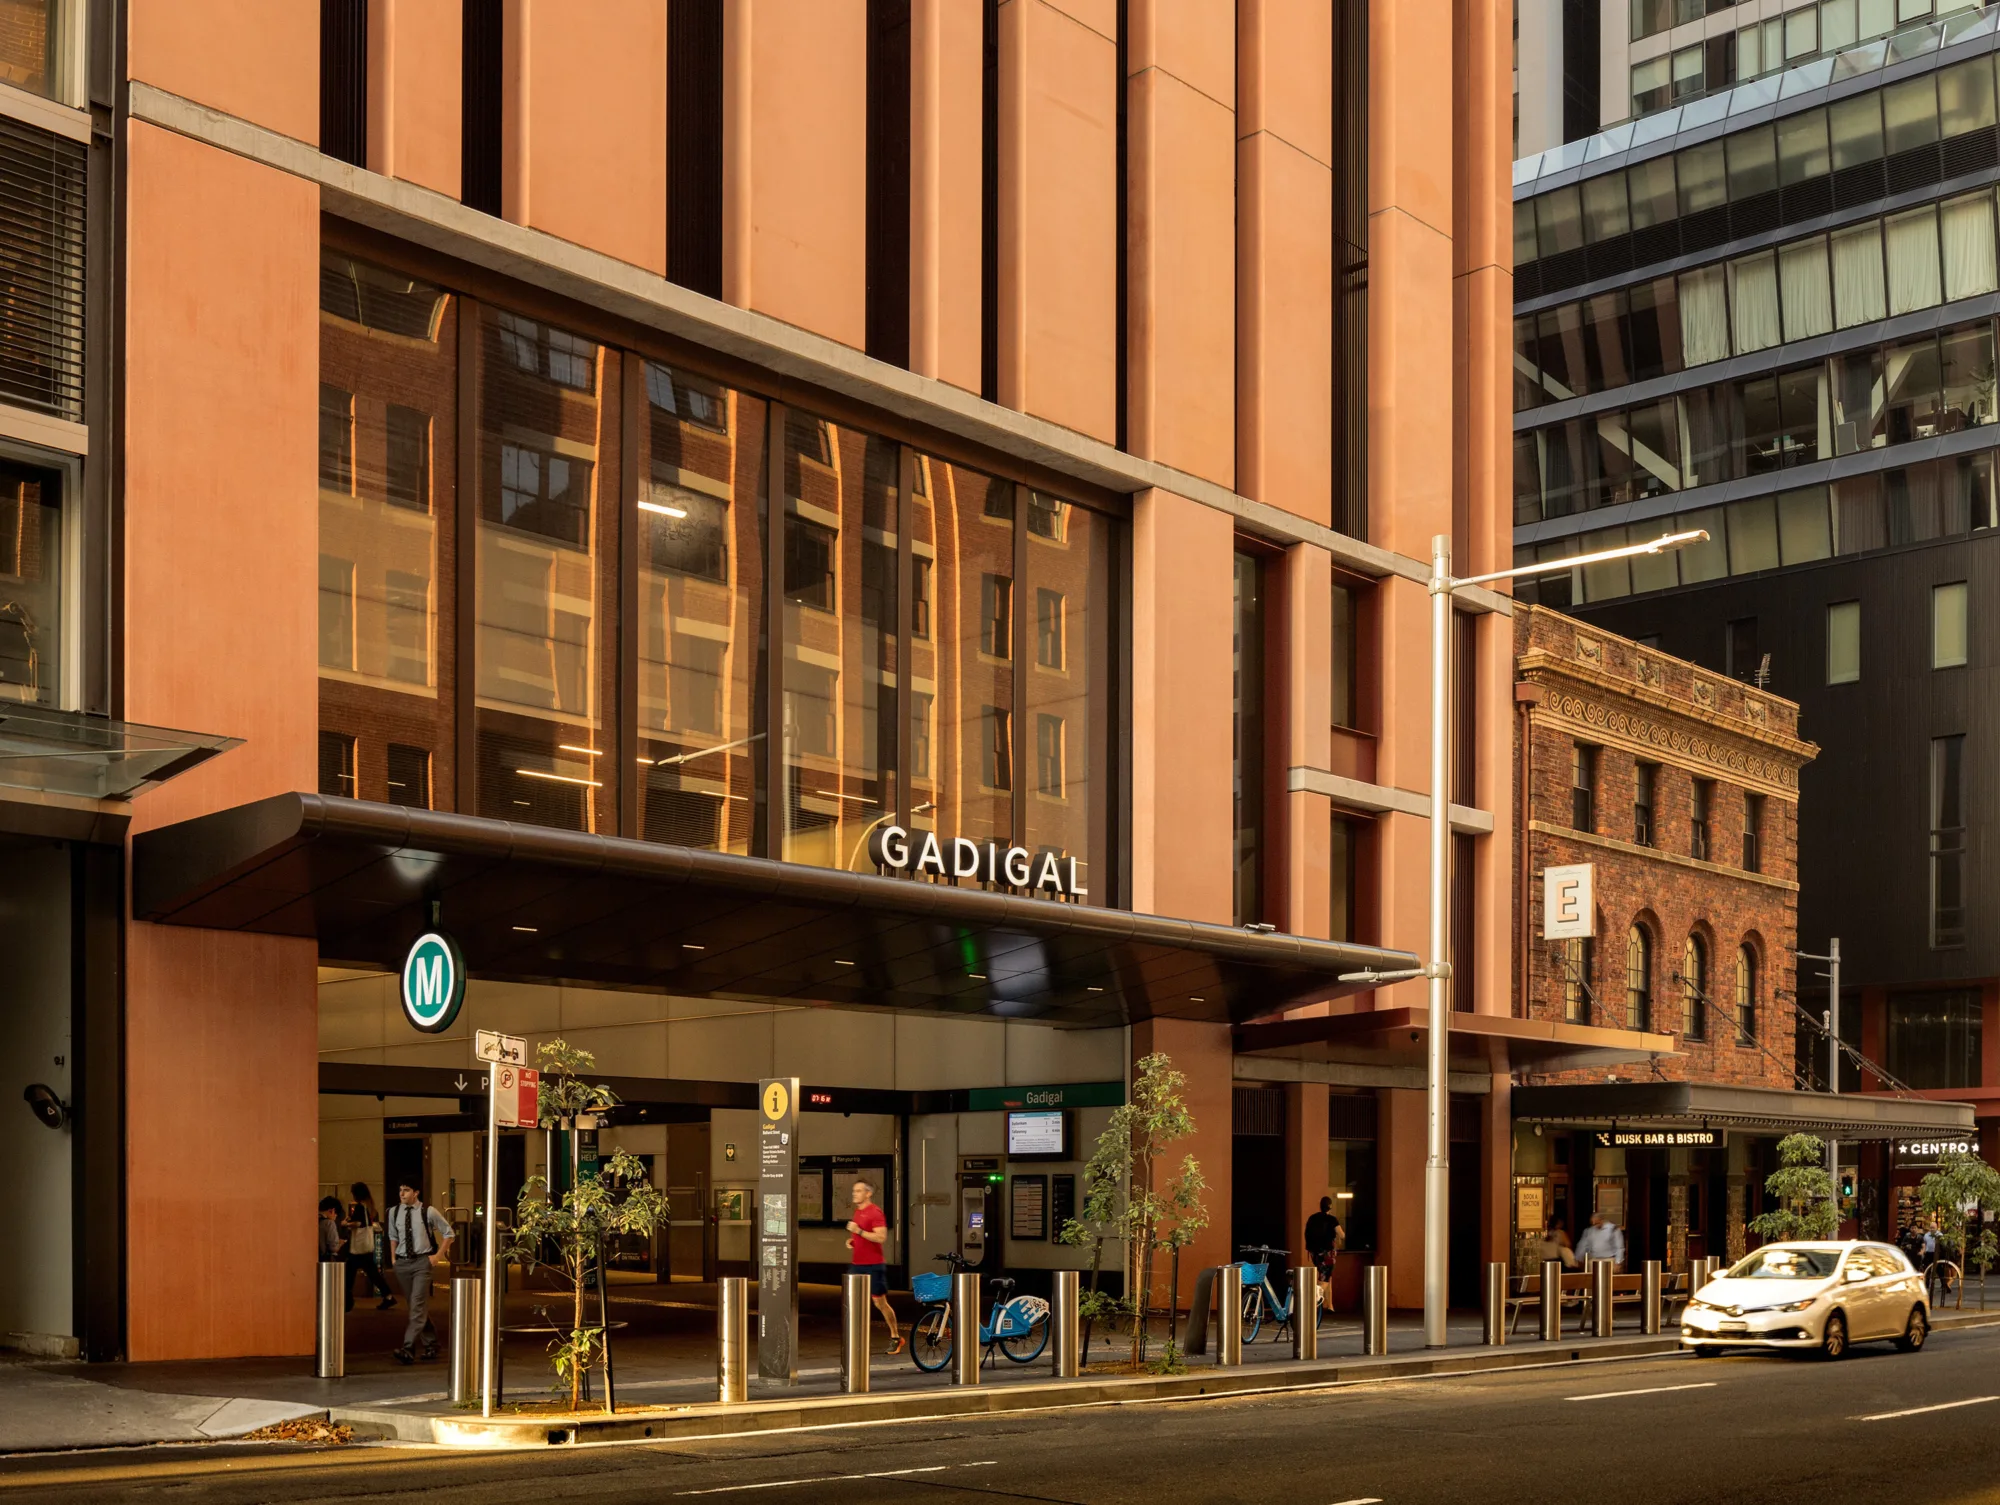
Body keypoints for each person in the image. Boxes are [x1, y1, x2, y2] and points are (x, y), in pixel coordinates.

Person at [386, 1182, 455, 1364]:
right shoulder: (393, 1212)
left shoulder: (428, 1211)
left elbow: (449, 1233)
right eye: (400, 1190)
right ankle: (432, 1343)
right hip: (403, 1263)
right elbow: (393, 1236)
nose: (402, 1193)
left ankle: (407, 1347)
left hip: (422, 1263)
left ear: (416, 1193)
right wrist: (393, 1259)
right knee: (415, 1306)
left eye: (406, 1190)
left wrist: (437, 1256)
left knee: (417, 1305)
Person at [844, 1178, 902, 1356]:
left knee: (879, 1302)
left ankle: (895, 1337)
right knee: (852, 1301)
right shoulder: (858, 1212)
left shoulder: (875, 1212)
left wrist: (859, 1231)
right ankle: (855, 1339)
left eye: (859, 1191)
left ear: (868, 1193)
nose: (855, 1193)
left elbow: (881, 1237)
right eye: (854, 1191)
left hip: (874, 1265)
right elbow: (864, 1236)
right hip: (857, 1265)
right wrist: (854, 1241)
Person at [343, 1181, 395, 1313]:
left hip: (358, 1249)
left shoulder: (360, 1207)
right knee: (373, 1274)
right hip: (366, 1247)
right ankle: (388, 1296)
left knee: (349, 1275)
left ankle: (347, 1301)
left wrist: (345, 1224)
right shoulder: (369, 1206)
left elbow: (358, 1223)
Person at [1303, 1197, 1345, 1315]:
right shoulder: (1332, 1220)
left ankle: (1329, 1305)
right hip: (1327, 1253)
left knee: (1326, 1276)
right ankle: (1312, 1302)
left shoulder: (1312, 1218)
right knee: (1324, 1278)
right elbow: (1341, 1235)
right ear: (1330, 1207)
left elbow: (1307, 1233)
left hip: (1314, 1253)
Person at [318, 1196, 346, 1264]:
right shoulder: (329, 1223)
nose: (335, 1216)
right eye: (336, 1214)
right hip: (325, 1262)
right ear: (332, 1210)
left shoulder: (314, 1219)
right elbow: (333, 1248)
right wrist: (340, 1243)